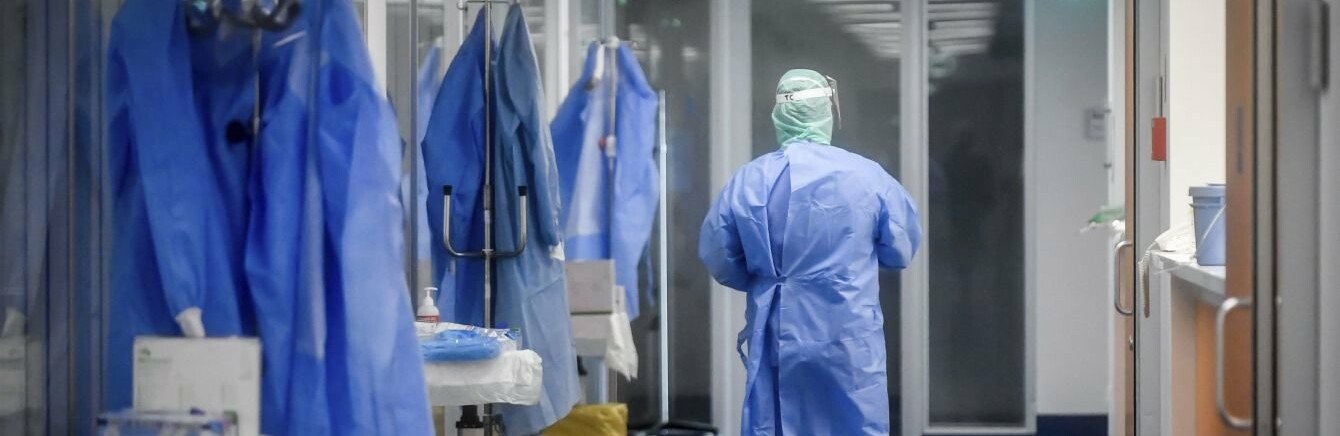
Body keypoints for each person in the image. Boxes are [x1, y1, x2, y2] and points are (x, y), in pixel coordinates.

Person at [699, 69, 921, 436]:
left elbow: (721, 259)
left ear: (779, 114)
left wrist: (768, 279)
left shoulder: (748, 180)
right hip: (848, 334)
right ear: (828, 112)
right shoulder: (868, 177)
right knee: (853, 423)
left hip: (777, 332)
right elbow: (900, 250)